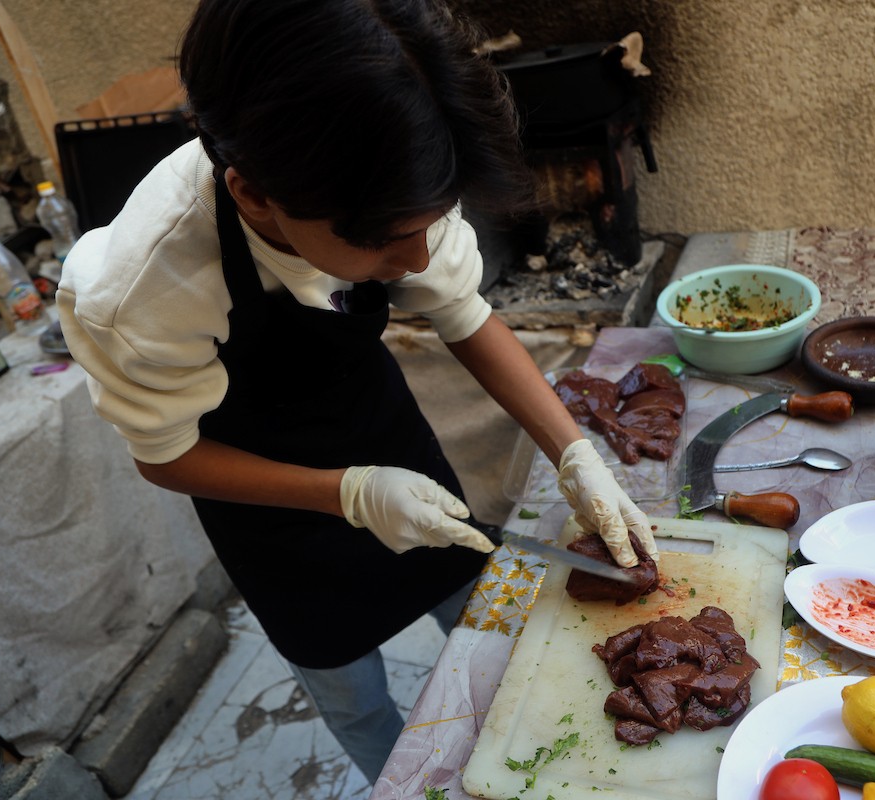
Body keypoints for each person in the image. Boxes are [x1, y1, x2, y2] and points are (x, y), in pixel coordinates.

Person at [56, 0, 658, 784]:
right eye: (380, 244)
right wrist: (350, 493)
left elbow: (465, 316)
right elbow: (166, 455)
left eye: (430, 224)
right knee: (354, 698)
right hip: (267, 514)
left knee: (485, 631)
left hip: (382, 433)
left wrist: (574, 452)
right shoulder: (143, 287)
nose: (413, 261)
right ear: (253, 196)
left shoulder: (398, 169)